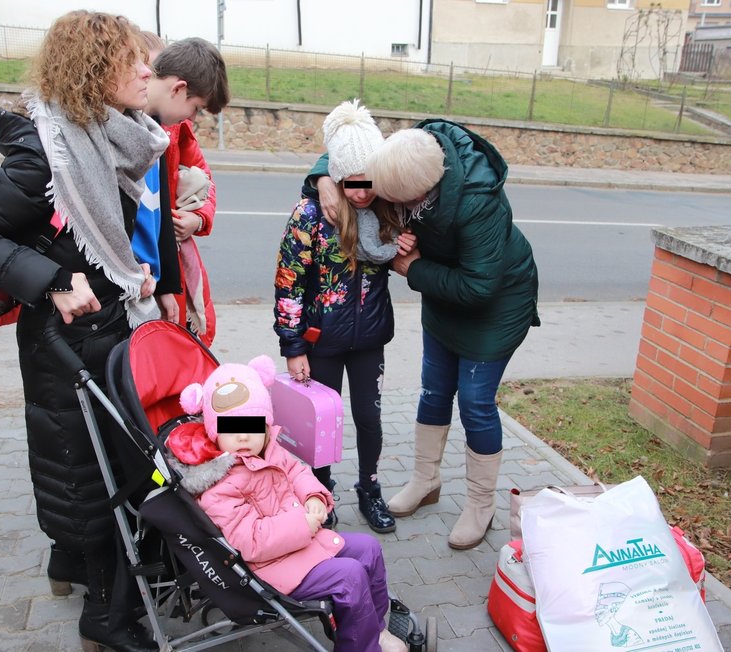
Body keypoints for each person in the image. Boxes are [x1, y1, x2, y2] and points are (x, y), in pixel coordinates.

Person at [0, 11, 173, 651]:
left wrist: (126, 279)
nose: (145, 69)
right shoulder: (51, 149)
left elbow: (95, 240)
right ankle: (106, 617)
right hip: (64, 342)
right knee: (92, 474)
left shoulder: (107, 136)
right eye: (131, 59)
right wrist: (52, 280)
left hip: (105, 328)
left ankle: (80, 572)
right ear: (92, 69)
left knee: (106, 466)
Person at [366, 120, 540, 551]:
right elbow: (344, 161)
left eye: (397, 202)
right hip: (446, 291)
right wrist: (324, 182)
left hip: (495, 302)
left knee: (476, 403)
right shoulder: (412, 153)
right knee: (433, 391)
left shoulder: (481, 203)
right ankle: (426, 481)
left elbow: (480, 287)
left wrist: (415, 269)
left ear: (421, 193)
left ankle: (481, 505)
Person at [169, 355, 409, 652]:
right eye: (232, 429)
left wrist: (313, 497)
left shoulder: (269, 450)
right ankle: (360, 646)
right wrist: (302, 525)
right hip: (270, 566)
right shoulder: (217, 485)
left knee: (369, 549)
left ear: (266, 426)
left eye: (252, 426)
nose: (244, 435)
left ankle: (373, 628)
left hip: (300, 543)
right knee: (350, 576)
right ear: (215, 433)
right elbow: (250, 541)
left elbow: (297, 472)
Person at [274, 99, 414, 534]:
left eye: (369, 180)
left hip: (369, 340)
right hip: (321, 345)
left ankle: (369, 490)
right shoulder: (312, 214)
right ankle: (319, 492)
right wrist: (293, 347)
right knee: (321, 424)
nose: (362, 191)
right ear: (333, 176)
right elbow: (288, 284)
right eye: (351, 182)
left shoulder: (387, 213)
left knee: (370, 420)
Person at [132, 34, 230, 346]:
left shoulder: (175, 129)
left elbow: (206, 180)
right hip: (142, 271)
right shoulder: (136, 127)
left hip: (166, 259)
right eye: (196, 109)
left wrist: (199, 218)